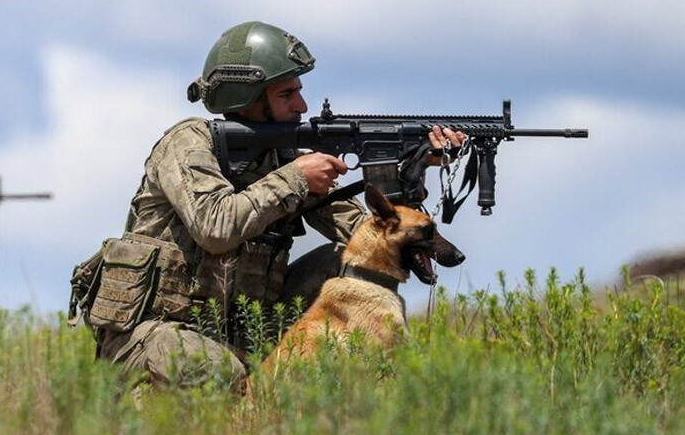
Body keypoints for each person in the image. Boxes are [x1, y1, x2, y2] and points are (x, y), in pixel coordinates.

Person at [69, 21, 463, 393]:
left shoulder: (282, 158)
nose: (303, 105)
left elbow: (370, 239)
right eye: (287, 94)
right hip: (152, 333)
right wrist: (294, 178)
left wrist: (411, 169)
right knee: (222, 373)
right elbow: (215, 227)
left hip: (239, 334)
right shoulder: (188, 144)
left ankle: (371, 376)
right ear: (247, 99)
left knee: (340, 260)